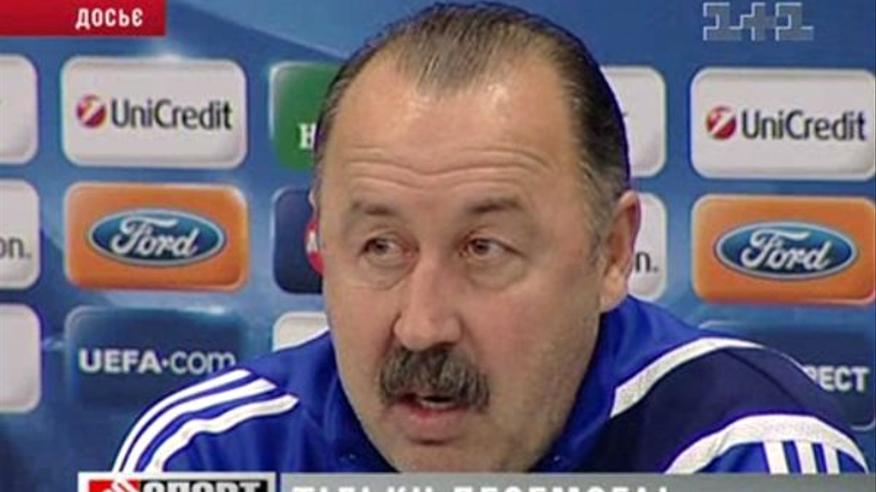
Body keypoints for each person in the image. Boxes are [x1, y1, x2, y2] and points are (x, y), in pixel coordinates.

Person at [111, 3, 868, 473]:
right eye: (381, 247)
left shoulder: (748, 452)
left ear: (611, 253)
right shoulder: (204, 455)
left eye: (484, 250)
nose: (422, 325)